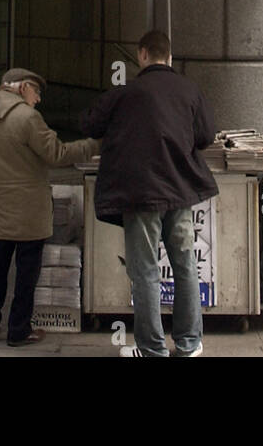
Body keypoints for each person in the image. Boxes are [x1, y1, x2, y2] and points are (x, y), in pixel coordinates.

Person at [80, 30, 217, 358]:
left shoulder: (124, 93)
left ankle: (152, 348)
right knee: (185, 265)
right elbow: (206, 135)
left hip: (139, 195)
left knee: (144, 271)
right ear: (169, 57)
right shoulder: (189, 90)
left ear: (142, 55)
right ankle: (189, 343)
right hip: (180, 192)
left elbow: (89, 124)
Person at [0, 68, 99, 347]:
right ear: (23, 88)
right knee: (27, 271)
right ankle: (18, 330)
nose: (37, 100)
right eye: (36, 92)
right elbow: (57, 154)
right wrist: (94, 144)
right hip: (30, 207)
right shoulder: (27, 118)